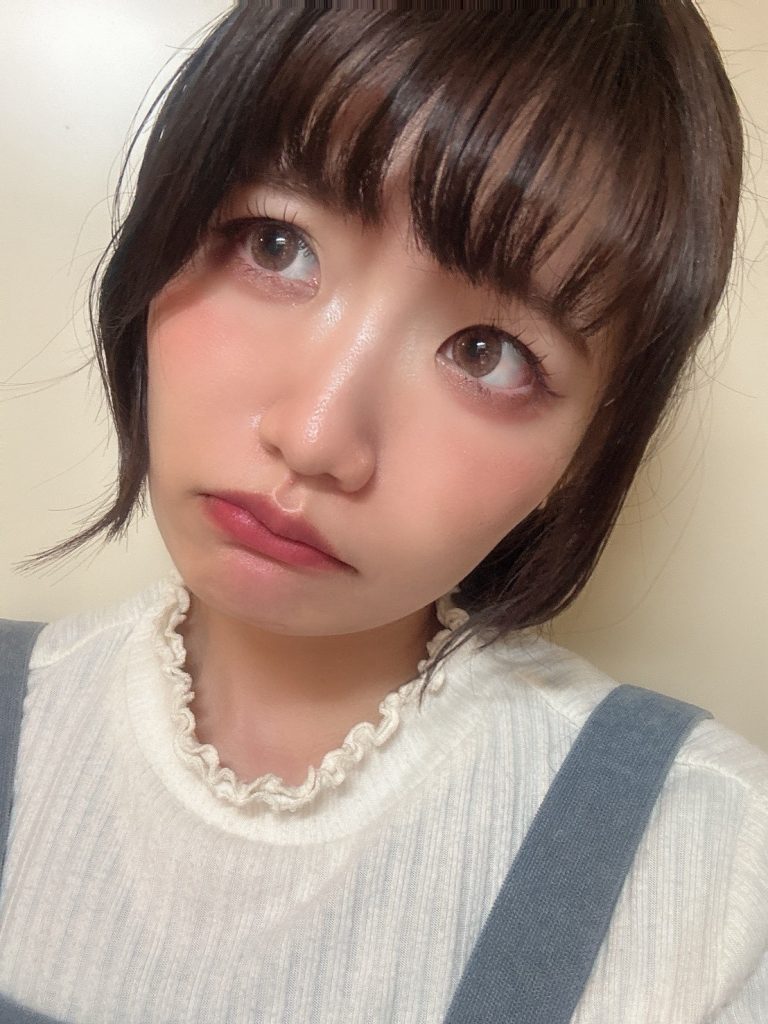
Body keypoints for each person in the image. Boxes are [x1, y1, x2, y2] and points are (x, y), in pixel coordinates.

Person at [1, 3, 766, 1022]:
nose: (317, 436)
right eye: (276, 244)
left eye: (488, 354)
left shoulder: (711, 870)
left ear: (586, 452)